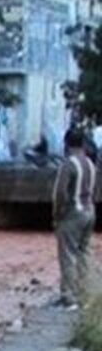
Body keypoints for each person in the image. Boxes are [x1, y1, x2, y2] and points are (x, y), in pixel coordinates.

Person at [53, 127, 99, 307]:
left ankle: (69, 297)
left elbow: (60, 193)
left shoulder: (68, 164)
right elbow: (95, 190)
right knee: (84, 252)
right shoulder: (90, 163)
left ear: (66, 143)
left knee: (68, 256)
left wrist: (58, 214)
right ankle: (86, 293)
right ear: (83, 143)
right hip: (89, 212)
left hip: (73, 213)